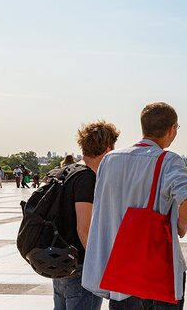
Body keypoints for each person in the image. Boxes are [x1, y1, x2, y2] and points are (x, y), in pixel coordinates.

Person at [82, 102, 187, 309]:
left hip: (119, 270)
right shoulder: (167, 160)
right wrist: (180, 227)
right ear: (172, 129)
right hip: (157, 272)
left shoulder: (110, 160)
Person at [52, 120, 120, 310]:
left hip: (60, 262)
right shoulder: (87, 178)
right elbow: (84, 230)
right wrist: (98, 267)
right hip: (80, 267)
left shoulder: (64, 171)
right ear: (108, 149)